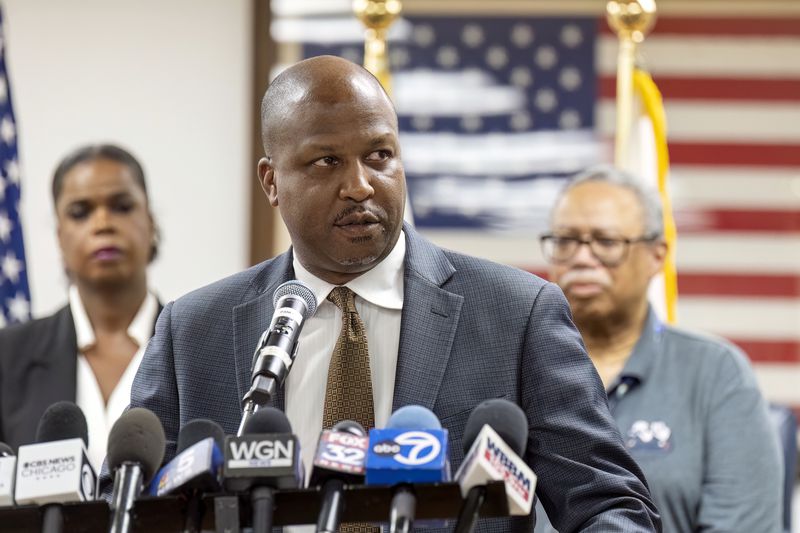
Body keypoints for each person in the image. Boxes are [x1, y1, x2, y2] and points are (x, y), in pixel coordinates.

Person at [116, 56, 660, 531]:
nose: (360, 184)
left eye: (379, 155)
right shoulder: (193, 331)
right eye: (327, 161)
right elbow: (132, 510)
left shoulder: (517, 316)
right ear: (271, 181)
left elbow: (608, 505)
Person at [536, 167, 782, 532]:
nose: (582, 258)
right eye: (565, 240)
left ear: (657, 255)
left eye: (606, 242)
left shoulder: (716, 373)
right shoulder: (514, 366)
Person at [0, 144, 162, 470]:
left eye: (121, 206)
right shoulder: (7, 357)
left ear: (151, 223)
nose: (102, 223)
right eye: (80, 212)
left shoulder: (197, 351)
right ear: (60, 236)